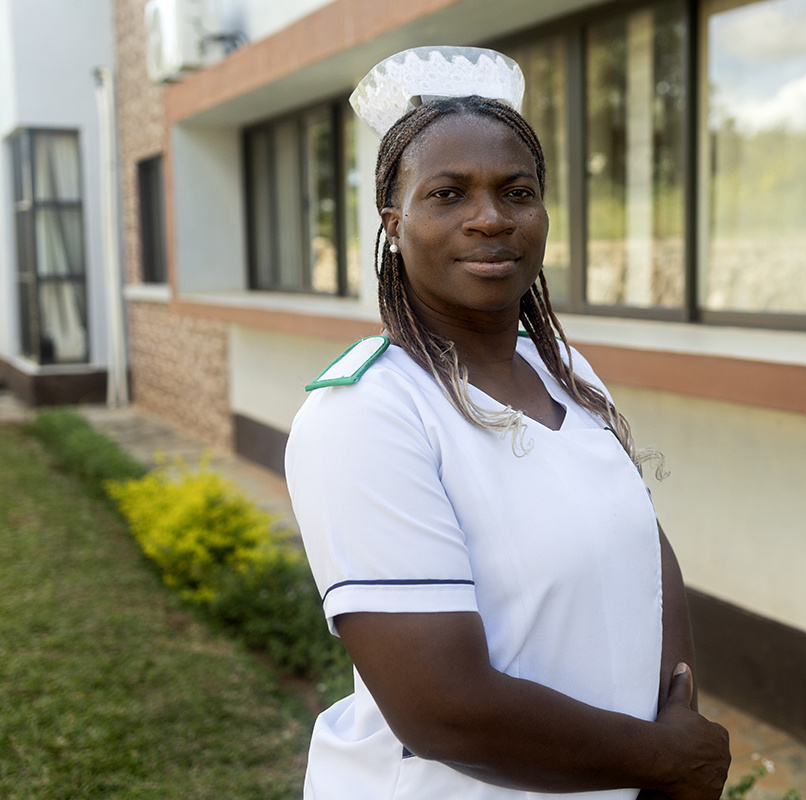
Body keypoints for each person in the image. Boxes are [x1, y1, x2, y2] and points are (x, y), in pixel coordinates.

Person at [285, 46, 731, 800]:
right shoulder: (366, 414)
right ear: (394, 224)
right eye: (448, 194)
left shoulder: (562, 367)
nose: (489, 218)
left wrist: (674, 719)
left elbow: (642, 544)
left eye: (516, 192)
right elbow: (443, 710)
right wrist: (664, 760)